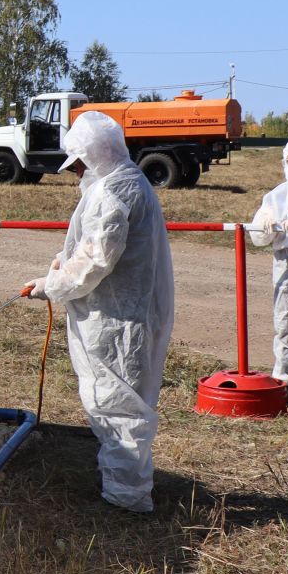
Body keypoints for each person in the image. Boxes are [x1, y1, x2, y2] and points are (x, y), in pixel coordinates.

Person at [21, 111, 176, 514]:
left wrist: (48, 286)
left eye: (77, 164)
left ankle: (127, 497)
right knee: (123, 401)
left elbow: (95, 261)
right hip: (127, 310)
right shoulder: (127, 181)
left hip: (118, 319)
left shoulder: (113, 193)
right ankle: (129, 486)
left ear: (93, 157)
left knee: (116, 402)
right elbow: (91, 245)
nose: (75, 173)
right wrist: (61, 261)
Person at [248, 137, 288, 405]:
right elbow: (256, 236)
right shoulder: (276, 195)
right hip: (285, 261)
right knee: (286, 321)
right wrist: (265, 223)